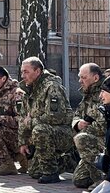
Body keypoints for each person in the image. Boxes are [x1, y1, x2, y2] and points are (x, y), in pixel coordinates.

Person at [18, 56, 74, 184]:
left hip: (63, 133)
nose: (22, 75)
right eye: (22, 72)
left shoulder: (52, 87)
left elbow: (55, 117)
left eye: (26, 72)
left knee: (39, 129)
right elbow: (23, 117)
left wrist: (31, 122)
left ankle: (51, 173)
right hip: (46, 132)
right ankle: (69, 161)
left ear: (37, 71)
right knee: (34, 172)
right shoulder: (29, 90)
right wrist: (23, 141)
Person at [72, 63, 106, 190]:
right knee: (79, 180)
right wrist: (77, 123)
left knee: (81, 139)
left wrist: (85, 129)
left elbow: (105, 125)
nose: (80, 81)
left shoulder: (106, 92)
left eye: (83, 77)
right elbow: (76, 115)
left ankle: (102, 180)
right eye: (79, 77)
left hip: (106, 141)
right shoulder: (87, 94)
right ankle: (68, 162)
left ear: (95, 78)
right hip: (91, 141)